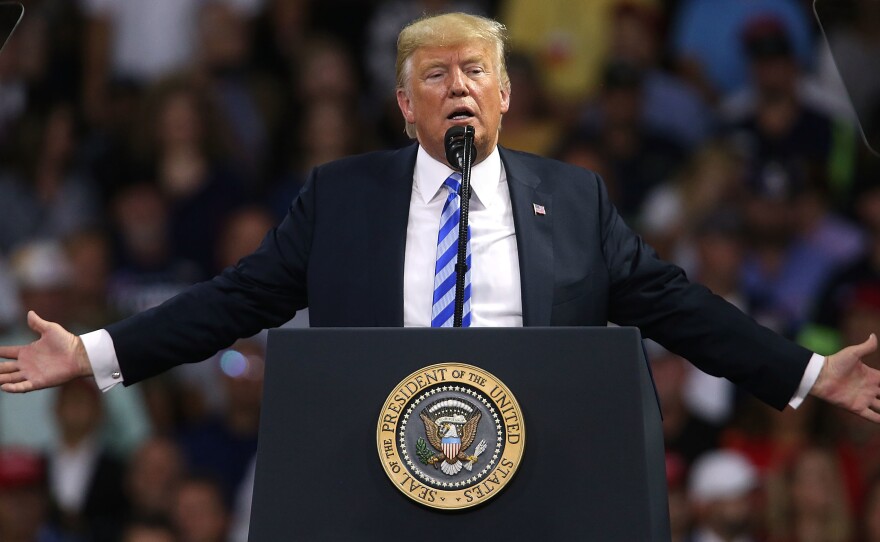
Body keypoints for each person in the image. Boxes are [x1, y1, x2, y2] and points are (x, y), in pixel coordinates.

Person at [0, 13, 878, 428]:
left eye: (472, 73)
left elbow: (678, 306)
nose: (456, 86)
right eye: (434, 76)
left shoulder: (573, 200)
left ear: (503, 95)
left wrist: (808, 373)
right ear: (402, 106)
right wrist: (92, 354)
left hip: (537, 460)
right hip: (379, 459)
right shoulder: (341, 197)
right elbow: (235, 301)